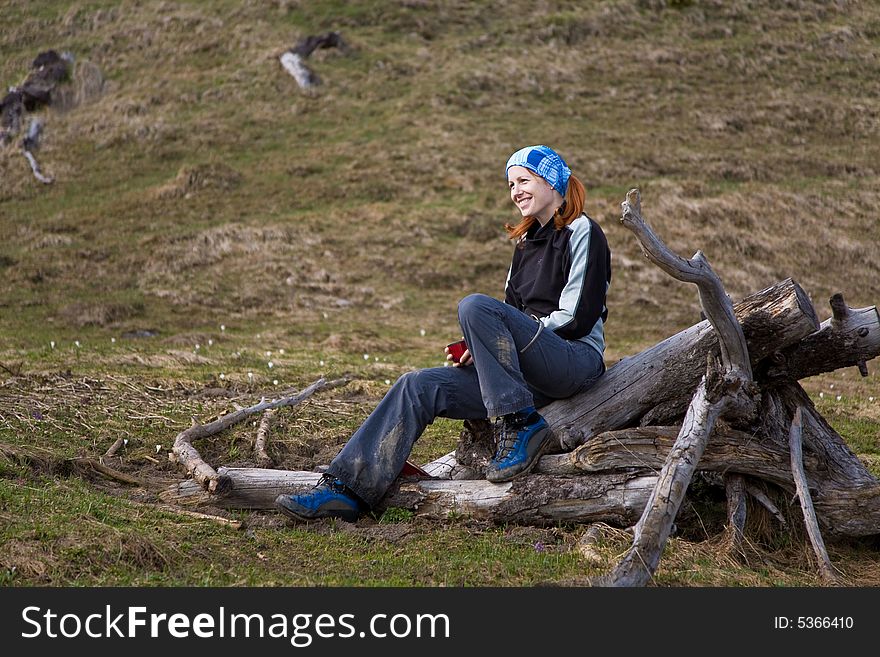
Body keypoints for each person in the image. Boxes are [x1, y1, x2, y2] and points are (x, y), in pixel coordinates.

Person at [275, 145, 611, 522]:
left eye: (523, 180)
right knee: (416, 385)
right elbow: (511, 315)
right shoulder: (524, 244)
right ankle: (348, 489)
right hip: (529, 373)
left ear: (551, 181)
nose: (514, 191)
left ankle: (521, 426)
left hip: (573, 361)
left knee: (473, 306)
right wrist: (483, 348)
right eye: (510, 183)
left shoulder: (583, 231)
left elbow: (577, 318)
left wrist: (506, 336)